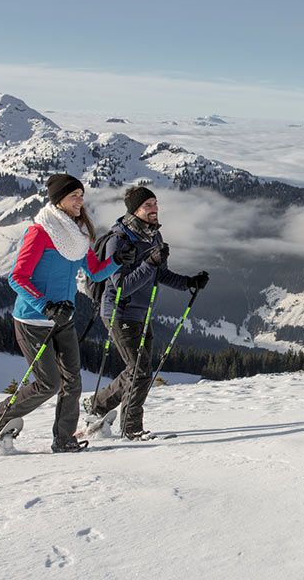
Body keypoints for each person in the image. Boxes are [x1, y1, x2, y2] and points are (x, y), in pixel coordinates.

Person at [0, 173, 137, 453]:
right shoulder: (40, 232)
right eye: (75, 196)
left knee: (73, 381)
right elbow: (17, 278)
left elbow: (93, 271)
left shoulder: (77, 236)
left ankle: (64, 438)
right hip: (33, 320)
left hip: (63, 319)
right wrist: (45, 305)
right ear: (59, 200)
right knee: (49, 383)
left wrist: (117, 261)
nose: (80, 201)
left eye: (82, 196)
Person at [83, 186, 209, 439]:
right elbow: (122, 286)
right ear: (134, 210)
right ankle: (131, 428)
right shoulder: (119, 240)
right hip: (119, 312)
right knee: (140, 370)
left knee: (137, 369)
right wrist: (148, 262)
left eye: (155, 203)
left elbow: (159, 274)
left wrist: (188, 283)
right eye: (147, 205)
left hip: (142, 312)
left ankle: (97, 405)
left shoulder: (153, 237)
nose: (154, 209)